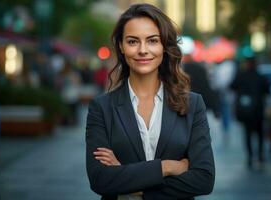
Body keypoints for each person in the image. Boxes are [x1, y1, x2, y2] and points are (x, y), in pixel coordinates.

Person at [86, 3, 215, 200]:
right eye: (132, 41)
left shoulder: (193, 104)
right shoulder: (102, 108)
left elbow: (204, 180)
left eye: (152, 41)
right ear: (121, 46)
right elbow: (100, 180)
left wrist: (130, 183)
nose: (143, 50)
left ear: (164, 46)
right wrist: (169, 167)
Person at [231, 56, 269, 167]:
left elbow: (232, 86)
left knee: (248, 134)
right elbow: (268, 90)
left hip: (246, 111)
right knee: (260, 134)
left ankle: (250, 156)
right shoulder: (261, 76)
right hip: (258, 110)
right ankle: (260, 156)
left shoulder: (242, 76)